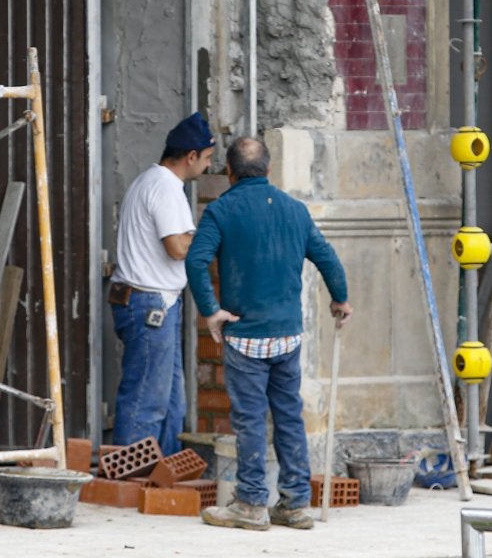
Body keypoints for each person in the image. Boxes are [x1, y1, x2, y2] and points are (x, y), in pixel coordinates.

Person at [185, 136, 353, 531]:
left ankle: (250, 503)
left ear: (229, 172)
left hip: (245, 336)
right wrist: (340, 299)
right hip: (287, 335)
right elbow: (327, 257)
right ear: (269, 170)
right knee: (289, 416)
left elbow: (195, 261)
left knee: (250, 420)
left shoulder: (221, 211)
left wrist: (211, 311)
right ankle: (294, 504)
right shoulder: (295, 210)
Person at [109, 111, 216, 455]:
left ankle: (163, 475)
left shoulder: (150, 181)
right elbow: (177, 247)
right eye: (207, 158)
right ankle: (133, 477)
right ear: (191, 156)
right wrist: (210, 237)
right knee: (147, 401)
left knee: (171, 404)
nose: (209, 166)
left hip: (153, 303)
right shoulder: (166, 187)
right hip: (149, 305)